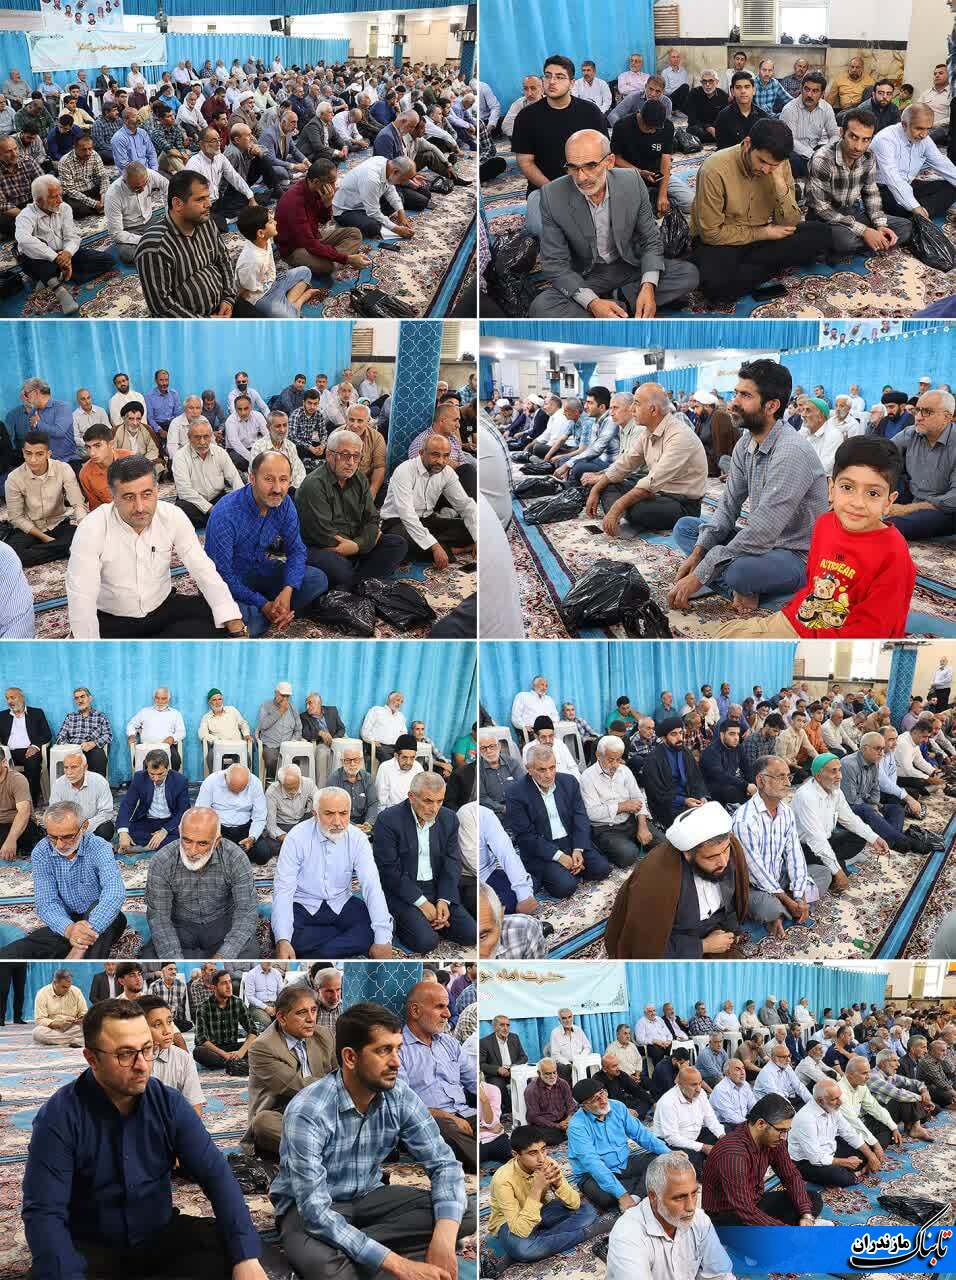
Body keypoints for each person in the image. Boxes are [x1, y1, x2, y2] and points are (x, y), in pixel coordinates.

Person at [23, 995, 269, 1274]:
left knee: (241, 1252)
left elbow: (217, 1177)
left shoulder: (169, 1103)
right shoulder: (59, 1117)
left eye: (147, 1049)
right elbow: (44, 1212)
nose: (142, 1065)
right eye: (125, 1054)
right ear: (92, 1058)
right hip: (92, 1248)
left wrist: (246, 1259)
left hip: (159, 1237)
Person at [269, 1000, 474, 1280]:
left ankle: (353, 1249)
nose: (396, 1062)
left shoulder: (399, 1095)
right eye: (383, 1050)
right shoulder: (309, 1110)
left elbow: (444, 1165)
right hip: (309, 1210)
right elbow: (315, 1211)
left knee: (461, 1213)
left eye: (398, 1049)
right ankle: (376, 1253)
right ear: (350, 1058)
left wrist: (443, 1240)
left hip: (369, 1196)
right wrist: (398, 1265)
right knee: (326, 1268)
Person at [670, 359, 829, 613]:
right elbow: (728, 506)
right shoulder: (745, 443)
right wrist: (699, 553)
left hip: (795, 554)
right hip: (762, 546)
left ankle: (758, 591)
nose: (734, 402)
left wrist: (702, 572)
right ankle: (747, 589)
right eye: (736, 393)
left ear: (772, 406)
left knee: (738, 572)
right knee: (687, 529)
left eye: (745, 396)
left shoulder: (791, 451)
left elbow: (763, 532)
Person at [66, 455, 244, 640]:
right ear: (113, 496)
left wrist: (234, 624)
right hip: (113, 618)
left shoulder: (172, 515)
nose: (140, 507)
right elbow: (81, 593)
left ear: (157, 490)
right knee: (90, 644)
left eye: (147, 494)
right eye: (128, 497)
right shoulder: (91, 528)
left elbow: (203, 569)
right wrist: (88, 647)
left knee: (221, 617)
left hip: (162, 608)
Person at [530, 128, 699, 319]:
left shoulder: (632, 182)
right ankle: (617, 305)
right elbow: (554, 263)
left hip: (629, 265)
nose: (581, 177)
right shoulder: (553, 195)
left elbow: (651, 240)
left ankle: (617, 301)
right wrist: (592, 303)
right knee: (541, 307)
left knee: (688, 274)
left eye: (591, 166)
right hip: (588, 275)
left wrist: (648, 286)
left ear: (609, 161)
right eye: (573, 167)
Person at [691, 118, 832, 302]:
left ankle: (751, 266)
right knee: (716, 287)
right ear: (748, 144)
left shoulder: (779, 164)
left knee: (822, 233)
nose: (766, 170)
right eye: (762, 161)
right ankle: (767, 265)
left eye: (773, 165)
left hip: (763, 237)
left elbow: (789, 223)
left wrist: (780, 184)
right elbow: (711, 234)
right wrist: (763, 233)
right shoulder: (714, 169)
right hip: (725, 240)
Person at [204, 450, 328, 638]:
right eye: (269, 479)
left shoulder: (284, 504)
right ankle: (271, 611)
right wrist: (262, 604)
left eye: (283, 480)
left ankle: (276, 608)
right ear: (252, 478)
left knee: (317, 579)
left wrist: (288, 590)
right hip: (228, 582)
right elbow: (222, 575)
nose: (277, 488)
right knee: (248, 624)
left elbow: (296, 550)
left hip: (260, 570)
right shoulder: (226, 513)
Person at [604, 800, 749, 959]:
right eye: (711, 857)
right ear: (688, 854)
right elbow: (646, 946)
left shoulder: (727, 850)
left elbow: (729, 903)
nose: (723, 862)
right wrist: (703, 945)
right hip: (677, 940)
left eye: (725, 851)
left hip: (714, 928)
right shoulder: (657, 878)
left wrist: (731, 932)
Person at [271, 784, 391, 959]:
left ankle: (321, 950)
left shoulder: (358, 838)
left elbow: (371, 885)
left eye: (343, 813)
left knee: (379, 931)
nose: (337, 822)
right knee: (284, 937)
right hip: (304, 903)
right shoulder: (296, 837)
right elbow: (283, 889)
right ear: (315, 814)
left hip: (341, 901)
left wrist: (381, 939)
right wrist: (283, 939)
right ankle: (338, 946)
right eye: (329, 814)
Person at [0, 801, 126, 960]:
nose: (59, 845)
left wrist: (82, 937)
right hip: (67, 920)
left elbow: (114, 892)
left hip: (100, 915)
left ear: (84, 827)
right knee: (21, 950)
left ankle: (79, 955)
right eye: (53, 837)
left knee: (103, 929)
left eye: (67, 837)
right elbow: (46, 902)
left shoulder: (99, 847)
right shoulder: (41, 851)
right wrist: (69, 929)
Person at [372, 771, 475, 952]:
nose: (434, 808)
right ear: (412, 797)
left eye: (440, 801)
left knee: (471, 934)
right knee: (427, 942)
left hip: (436, 887)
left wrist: (444, 900)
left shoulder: (449, 818)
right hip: (402, 891)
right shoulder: (388, 820)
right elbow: (389, 871)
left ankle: (433, 921)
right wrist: (421, 903)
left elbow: (452, 862)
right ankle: (407, 921)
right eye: (428, 801)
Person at [510, 54, 609, 239]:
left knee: (609, 224)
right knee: (539, 229)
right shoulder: (527, 117)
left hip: (587, 184)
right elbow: (525, 162)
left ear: (572, 83)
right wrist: (554, 191)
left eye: (560, 77)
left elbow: (604, 156)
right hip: (545, 188)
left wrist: (592, 186)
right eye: (547, 76)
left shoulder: (591, 113)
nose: (552, 81)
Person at [585, 383, 708, 531]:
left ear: (653, 410)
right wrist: (596, 489)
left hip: (681, 503)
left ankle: (623, 516)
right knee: (607, 486)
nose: (632, 409)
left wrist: (618, 506)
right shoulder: (648, 432)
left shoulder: (679, 436)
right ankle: (624, 518)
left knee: (636, 508)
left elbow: (651, 482)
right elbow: (624, 463)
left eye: (636, 404)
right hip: (657, 494)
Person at [294, 429, 408, 588]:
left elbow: (372, 519)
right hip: (324, 548)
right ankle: (363, 579)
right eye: (345, 455)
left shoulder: (359, 479)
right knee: (339, 568)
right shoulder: (314, 485)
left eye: (356, 456)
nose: (351, 462)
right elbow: (323, 536)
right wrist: (364, 542)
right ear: (329, 455)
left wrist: (357, 545)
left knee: (397, 544)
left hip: (352, 545)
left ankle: (352, 583)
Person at [733, 755, 829, 938]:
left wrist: (799, 895)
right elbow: (755, 871)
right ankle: (781, 911)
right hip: (753, 886)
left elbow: (795, 854)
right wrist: (787, 899)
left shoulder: (786, 812)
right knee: (768, 908)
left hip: (780, 876)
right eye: (780, 776)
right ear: (761, 781)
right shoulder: (744, 820)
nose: (788, 782)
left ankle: (784, 912)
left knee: (823, 873)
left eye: (788, 776)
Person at [143, 807, 258, 959]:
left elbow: (246, 911)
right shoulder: (162, 861)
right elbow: (159, 918)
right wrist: (176, 961)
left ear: (216, 841)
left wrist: (223, 956)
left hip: (222, 924)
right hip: (180, 927)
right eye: (187, 840)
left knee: (249, 952)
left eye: (202, 844)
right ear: (180, 832)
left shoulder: (235, 858)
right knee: (151, 956)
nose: (192, 851)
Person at [605, 1151, 734, 1280]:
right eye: (679, 1197)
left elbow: (719, 1273)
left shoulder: (699, 1219)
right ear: (654, 1197)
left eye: (694, 1193)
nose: (690, 1207)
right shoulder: (628, 1234)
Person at [505, 743, 610, 898]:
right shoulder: (516, 793)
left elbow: (580, 817)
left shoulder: (569, 781)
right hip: (542, 848)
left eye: (552, 767)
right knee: (566, 887)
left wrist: (578, 849)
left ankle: (572, 868)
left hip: (570, 841)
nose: (549, 774)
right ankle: (562, 872)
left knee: (602, 869)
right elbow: (525, 836)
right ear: (529, 769)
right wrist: (559, 856)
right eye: (542, 770)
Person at [703, 1093, 822, 1225]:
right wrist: (784, 1230)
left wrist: (806, 1215)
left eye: (787, 1131)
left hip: (754, 1202)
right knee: (767, 1226)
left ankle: (795, 1228)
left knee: (812, 1199)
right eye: (781, 1130)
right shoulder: (733, 1153)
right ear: (761, 1124)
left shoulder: (774, 1140)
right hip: (728, 1215)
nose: (784, 1137)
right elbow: (745, 1210)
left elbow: (790, 1176)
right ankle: (790, 1231)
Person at [244, 982, 335, 1156]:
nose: (311, 1019)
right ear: (282, 1017)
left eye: (313, 1010)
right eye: (302, 1013)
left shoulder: (324, 1035)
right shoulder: (262, 1047)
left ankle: (320, 1149)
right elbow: (297, 1086)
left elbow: (341, 1074)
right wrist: (340, 1085)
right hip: (285, 1114)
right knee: (263, 1122)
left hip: (323, 1110)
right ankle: (333, 1149)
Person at [807, 107, 911, 255]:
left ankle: (869, 242)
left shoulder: (868, 156)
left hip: (852, 211)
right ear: (842, 133)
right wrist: (865, 231)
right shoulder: (822, 159)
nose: (858, 147)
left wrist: (880, 225)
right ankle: (868, 243)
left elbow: (871, 193)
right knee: (845, 241)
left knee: (905, 227)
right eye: (853, 137)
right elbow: (822, 209)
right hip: (824, 216)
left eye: (866, 139)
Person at [487, 1123, 598, 1263]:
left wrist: (558, 1185)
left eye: (543, 1150)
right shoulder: (502, 1180)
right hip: (510, 1223)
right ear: (516, 1154)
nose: (541, 1158)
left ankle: (538, 1241)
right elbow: (520, 1230)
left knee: (587, 1210)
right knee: (524, 1250)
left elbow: (574, 1204)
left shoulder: (548, 1164)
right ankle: (585, 1233)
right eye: (533, 1153)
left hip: (539, 1212)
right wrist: (537, 1189)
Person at [136, 169, 237, 318]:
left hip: (223, 307)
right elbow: (162, 306)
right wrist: (206, 322)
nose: (209, 204)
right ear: (178, 204)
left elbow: (223, 259)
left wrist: (228, 298)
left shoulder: (206, 222)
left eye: (208, 197)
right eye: (200, 199)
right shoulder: (155, 247)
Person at [567, 1074, 668, 1211]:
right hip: (592, 1174)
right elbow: (593, 1163)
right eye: (595, 1099)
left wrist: (670, 1154)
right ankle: (639, 1186)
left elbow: (641, 1135)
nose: (603, 1100)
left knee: (662, 1161)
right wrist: (621, 1195)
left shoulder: (617, 1107)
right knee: (606, 1199)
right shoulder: (577, 1126)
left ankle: (636, 1195)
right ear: (584, 1106)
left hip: (623, 1162)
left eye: (602, 1093)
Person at [15, 173, 113, 311]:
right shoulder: (25, 215)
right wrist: (55, 257)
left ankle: (55, 277)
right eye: (54, 197)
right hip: (40, 259)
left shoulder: (64, 208)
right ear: (39, 201)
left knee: (107, 260)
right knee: (31, 250)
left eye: (60, 195)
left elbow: (72, 236)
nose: (60, 200)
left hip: (63, 254)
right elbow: (24, 240)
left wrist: (67, 253)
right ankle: (59, 290)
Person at [792, 753, 888, 891]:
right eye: (833, 771)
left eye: (839, 770)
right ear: (818, 776)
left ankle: (835, 862)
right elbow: (816, 839)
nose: (839, 776)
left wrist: (874, 838)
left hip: (826, 840)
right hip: (804, 848)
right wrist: (837, 871)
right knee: (835, 877)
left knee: (860, 837)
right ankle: (833, 864)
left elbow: (850, 819)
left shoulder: (835, 790)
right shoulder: (805, 796)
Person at [380, 433, 476, 567]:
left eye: (446, 456)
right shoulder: (404, 471)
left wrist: (477, 538)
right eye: (435, 455)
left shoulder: (447, 472)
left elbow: (466, 506)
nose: (441, 461)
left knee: (472, 528)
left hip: (428, 520)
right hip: (398, 523)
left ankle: (440, 548)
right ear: (421, 453)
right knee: (399, 542)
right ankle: (453, 549)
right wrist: (434, 546)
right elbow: (407, 515)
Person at [4, 429, 86, 568]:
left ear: (49, 454)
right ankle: (64, 548)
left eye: (39, 454)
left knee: (80, 537)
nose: (33, 459)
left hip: (58, 523)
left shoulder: (63, 469)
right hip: (30, 528)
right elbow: (16, 517)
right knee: (12, 553)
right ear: (23, 452)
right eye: (28, 453)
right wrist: (46, 539)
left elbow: (77, 503)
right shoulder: (13, 478)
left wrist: (83, 524)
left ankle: (49, 549)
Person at [884, 390, 956, 541]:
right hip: (914, 497)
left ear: (947, 417)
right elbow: (881, 453)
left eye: (927, 412)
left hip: (945, 509)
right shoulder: (910, 434)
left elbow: (952, 500)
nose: (918, 417)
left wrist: (907, 509)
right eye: (917, 410)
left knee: (892, 526)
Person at [870, 104, 956, 219]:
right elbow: (893, 179)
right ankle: (917, 215)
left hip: (908, 183)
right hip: (882, 189)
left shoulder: (924, 138)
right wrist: (915, 207)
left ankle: (920, 214)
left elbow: (942, 163)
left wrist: (917, 207)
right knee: (901, 207)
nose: (924, 135)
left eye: (928, 129)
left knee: (950, 187)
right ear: (904, 125)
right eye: (919, 128)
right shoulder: (885, 140)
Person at [579, 734, 655, 865]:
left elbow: (638, 798)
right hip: (605, 828)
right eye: (610, 760)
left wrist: (642, 826)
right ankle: (617, 845)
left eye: (618, 759)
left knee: (663, 844)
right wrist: (622, 806)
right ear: (598, 755)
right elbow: (591, 813)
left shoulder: (624, 770)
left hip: (630, 821)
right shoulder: (587, 777)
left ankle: (632, 841)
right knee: (629, 855)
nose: (615, 764)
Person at [789, 1077, 877, 1187]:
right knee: (839, 1177)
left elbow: (849, 1133)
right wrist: (845, 1162)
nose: (840, 1102)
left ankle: (849, 1172)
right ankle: (853, 1174)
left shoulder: (832, 1108)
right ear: (820, 1101)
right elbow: (815, 1158)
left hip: (830, 1151)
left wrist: (871, 1156)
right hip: (806, 1161)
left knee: (867, 1150)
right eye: (835, 1099)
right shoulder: (805, 1119)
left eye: (839, 1097)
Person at [652, 1066, 725, 1175]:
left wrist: (722, 1136)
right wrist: (702, 1147)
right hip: (670, 1143)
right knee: (691, 1157)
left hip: (694, 1136)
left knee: (726, 1133)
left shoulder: (701, 1094)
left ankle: (716, 1165)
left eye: (700, 1083)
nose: (698, 1089)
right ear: (680, 1084)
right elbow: (672, 1138)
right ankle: (701, 1175)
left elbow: (711, 1119)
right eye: (694, 1085)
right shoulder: (668, 1102)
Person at [172, 417, 243, 529]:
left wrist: (242, 501)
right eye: (197, 437)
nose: (202, 442)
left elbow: (234, 478)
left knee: (235, 503)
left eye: (206, 437)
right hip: (194, 502)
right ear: (189, 437)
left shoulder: (220, 452)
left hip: (217, 498)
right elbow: (184, 491)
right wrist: (210, 509)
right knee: (181, 509)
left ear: (211, 436)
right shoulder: (180, 457)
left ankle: (216, 519)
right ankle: (221, 519)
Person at [638, 717, 709, 828]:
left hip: (690, 798)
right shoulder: (653, 759)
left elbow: (696, 779)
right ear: (664, 738)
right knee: (692, 825)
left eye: (680, 733)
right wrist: (684, 801)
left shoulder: (685, 752)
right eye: (674, 734)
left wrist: (701, 796)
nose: (679, 738)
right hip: (668, 805)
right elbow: (656, 793)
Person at [192, 968, 257, 1069]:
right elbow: (201, 1040)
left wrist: (241, 1052)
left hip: (233, 1046)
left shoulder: (238, 1002)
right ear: (214, 988)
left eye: (230, 982)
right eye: (223, 983)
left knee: (260, 1045)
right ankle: (234, 1063)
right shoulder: (203, 1007)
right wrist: (224, 1054)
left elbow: (253, 1031)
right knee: (198, 1052)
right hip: (214, 1049)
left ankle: (232, 1062)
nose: (229, 986)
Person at [48, 749, 115, 842]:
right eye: (66, 767)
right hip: (67, 826)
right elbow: (54, 812)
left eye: (73, 767)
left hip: (92, 824)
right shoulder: (58, 784)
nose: (69, 772)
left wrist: (88, 824)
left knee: (106, 830)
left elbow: (106, 812)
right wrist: (70, 827)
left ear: (85, 767)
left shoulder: (100, 782)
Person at [479, 1014, 528, 1114]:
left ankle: (525, 1110)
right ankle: (508, 1112)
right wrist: (498, 1069)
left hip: (513, 1072)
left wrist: (512, 1068)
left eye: (507, 1025)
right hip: (496, 1075)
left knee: (529, 1081)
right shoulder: (484, 1042)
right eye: (502, 1025)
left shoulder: (514, 1038)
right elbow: (481, 1064)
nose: (505, 1028)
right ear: (494, 1027)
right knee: (498, 1086)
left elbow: (524, 1057)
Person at [523, 1058, 576, 1142]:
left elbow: (571, 1104)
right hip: (545, 1124)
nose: (552, 1076)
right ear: (539, 1073)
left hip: (563, 1119)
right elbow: (534, 1117)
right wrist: (557, 1126)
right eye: (548, 1073)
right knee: (549, 1137)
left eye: (554, 1072)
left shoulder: (563, 1083)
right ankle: (564, 1133)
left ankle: (565, 1131)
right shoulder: (532, 1090)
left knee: (582, 1122)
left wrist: (568, 1119)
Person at [199, 689, 253, 772]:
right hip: (219, 747)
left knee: (246, 758)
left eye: (219, 699)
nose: (218, 702)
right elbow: (202, 734)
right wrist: (217, 740)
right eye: (214, 700)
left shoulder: (232, 710)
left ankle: (242, 779)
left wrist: (246, 734)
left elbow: (243, 723)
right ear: (209, 703)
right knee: (211, 757)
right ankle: (215, 779)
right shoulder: (206, 717)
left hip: (236, 746)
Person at [58, 132, 108, 220]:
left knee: (112, 193)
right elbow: (70, 190)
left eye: (90, 148)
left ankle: (100, 206)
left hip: (91, 188)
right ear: (75, 148)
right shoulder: (65, 161)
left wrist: (103, 195)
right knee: (78, 210)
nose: (88, 152)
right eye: (84, 149)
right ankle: (99, 208)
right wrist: (94, 204)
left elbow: (103, 176)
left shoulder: (94, 155)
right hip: (75, 194)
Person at [686, 69, 729, 144]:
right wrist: (708, 127)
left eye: (711, 81)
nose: (707, 84)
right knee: (694, 130)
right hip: (699, 127)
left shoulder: (723, 96)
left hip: (716, 127)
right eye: (704, 81)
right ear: (701, 82)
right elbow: (692, 120)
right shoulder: (694, 94)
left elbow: (724, 119)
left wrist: (714, 128)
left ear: (717, 82)